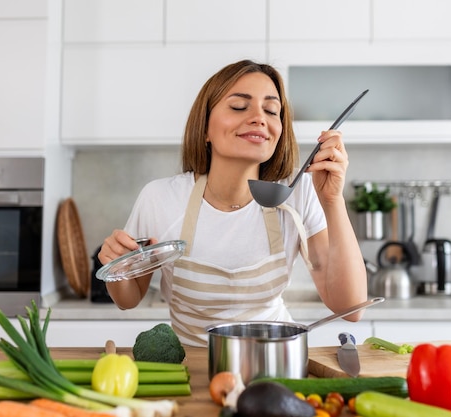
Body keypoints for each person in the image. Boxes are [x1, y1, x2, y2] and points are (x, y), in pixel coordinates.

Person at [98, 59, 367, 346]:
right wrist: (118, 268)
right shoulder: (160, 198)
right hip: (193, 365)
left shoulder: (297, 194)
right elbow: (129, 299)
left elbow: (350, 307)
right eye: (239, 106)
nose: (259, 118)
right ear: (205, 129)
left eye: (271, 110)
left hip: (275, 360)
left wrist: (332, 199)